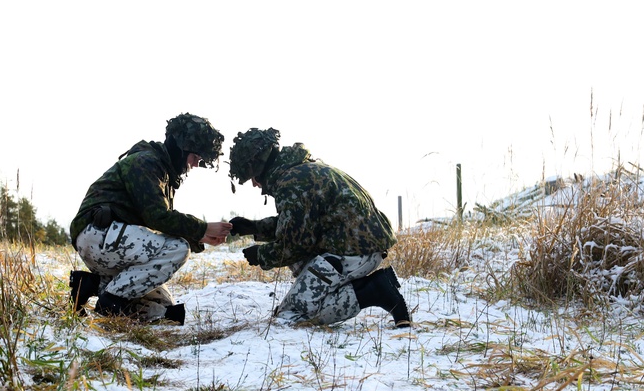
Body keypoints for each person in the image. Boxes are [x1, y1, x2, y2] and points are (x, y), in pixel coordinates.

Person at [227, 128, 411, 327]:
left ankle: (375, 290)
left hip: (353, 254)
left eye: (251, 177)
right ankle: (354, 287)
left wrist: (261, 255)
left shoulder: (292, 182)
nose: (254, 184)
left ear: (259, 167)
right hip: (356, 249)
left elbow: (295, 244)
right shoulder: (302, 171)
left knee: (291, 317)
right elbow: (298, 224)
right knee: (292, 307)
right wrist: (252, 227)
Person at [68, 113, 232, 324]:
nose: (195, 165)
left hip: (110, 241)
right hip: (99, 234)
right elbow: (157, 217)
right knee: (180, 249)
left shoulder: (162, 172)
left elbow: (160, 225)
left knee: (165, 307)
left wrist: (200, 237)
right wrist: (202, 228)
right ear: (181, 148)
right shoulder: (145, 162)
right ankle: (110, 300)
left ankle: (90, 285)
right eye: (195, 157)